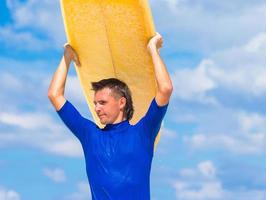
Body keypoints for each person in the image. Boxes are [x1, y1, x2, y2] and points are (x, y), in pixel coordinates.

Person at [48, 32, 173, 200]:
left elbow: (165, 89)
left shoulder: (143, 132)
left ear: (121, 102)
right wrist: (67, 57)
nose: (97, 108)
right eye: (95, 103)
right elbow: (54, 95)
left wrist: (153, 50)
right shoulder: (90, 134)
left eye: (102, 102)